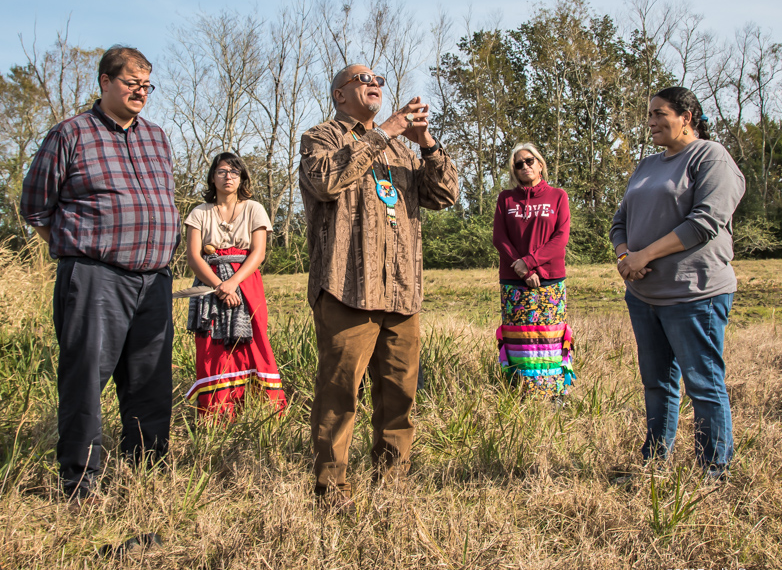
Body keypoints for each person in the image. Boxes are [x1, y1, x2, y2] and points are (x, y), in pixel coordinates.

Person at [20, 46, 179, 502]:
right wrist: (71, 245)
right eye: (132, 83)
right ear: (105, 82)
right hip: (94, 276)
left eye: (147, 85)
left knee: (150, 381)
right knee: (86, 378)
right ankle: (80, 483)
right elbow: (35, 206)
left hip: (154, 278)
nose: (141, 92)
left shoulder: (157, 137)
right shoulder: (70, 134)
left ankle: (146, 471)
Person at [299, 64, 458, 511]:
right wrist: (384, 131)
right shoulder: (321, 137)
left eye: (380, 80)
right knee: (339, 394)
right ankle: (332, 492)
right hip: (347, 287)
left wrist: (424, 143)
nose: (374, 84)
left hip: (402, 291)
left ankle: (393, 483)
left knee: (399, 395)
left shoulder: (404, 151)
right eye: (361, 79)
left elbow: (446, 194)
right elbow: (327, 181)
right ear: (339, 94)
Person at [609, 86, 745, 477]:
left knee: (702, 384)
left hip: (694, 294)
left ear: (687, 116)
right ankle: (655, 459)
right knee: (656, 383)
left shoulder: (711, 157)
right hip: (644, 294)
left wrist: (645, 255)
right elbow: (620, 221)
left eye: (659, 113)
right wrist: (624, 257)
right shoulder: (647, 165)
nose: (651, 121)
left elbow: (704, 223)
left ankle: (714, 470)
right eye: (649, 114)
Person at [183, 152, 287, 417]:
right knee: (211, 345)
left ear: (242, 178)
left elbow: (258, 253)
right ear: (212, 177)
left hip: (246, 282)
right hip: (210, 283)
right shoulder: (199, 212)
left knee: (254, 341)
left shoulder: (254, 209)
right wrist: (220, 285)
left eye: (234, 172)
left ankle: (261, 409)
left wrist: (233, 283)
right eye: (221, 171)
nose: (227, 177)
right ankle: (217, 412)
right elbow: (194, 256)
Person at [493, 143, 575, 398]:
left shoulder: (558, 196)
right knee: (520, 338)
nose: (525, 166)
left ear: (540, 164)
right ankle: (519, 390)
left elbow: (560, 237)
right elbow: (499, 237)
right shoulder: (506, 198)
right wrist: (523, 270)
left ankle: (554, 393)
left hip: (549, 280)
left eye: (529, 161)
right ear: (514, 170)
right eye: (519, 164)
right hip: (514, 280)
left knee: (548, 337)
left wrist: (529, 262)